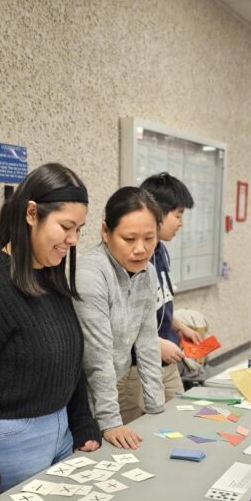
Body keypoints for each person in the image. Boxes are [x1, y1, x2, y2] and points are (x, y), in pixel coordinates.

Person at [0, 163, 101, 501]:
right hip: (12, 444)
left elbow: (69, 357)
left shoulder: (48, 274)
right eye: (66, 227)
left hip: (60, 431)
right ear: (32, 213)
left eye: (79, 229)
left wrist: (83, 424)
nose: (73, 240)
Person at [75, 187, 166, 450]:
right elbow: (97, 356)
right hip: (78, 398)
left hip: (114, 381)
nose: (141, 249)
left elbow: (148, 342)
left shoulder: (147, 272)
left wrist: (157, 408)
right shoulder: (90, 273)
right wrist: (110, 421)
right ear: (106, 231)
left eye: (150, 238)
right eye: (129, 239)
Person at [117, 172, 204, 418]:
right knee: (139, 437)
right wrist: (154, 344)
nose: (181, 223)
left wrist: (177, 326)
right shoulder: (130, 259)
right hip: (135, 368)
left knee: (180, 420)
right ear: (157, 213)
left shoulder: (161, 251)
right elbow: (117, 321)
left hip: (166, 364)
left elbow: (159, 301)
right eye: (178, 215)